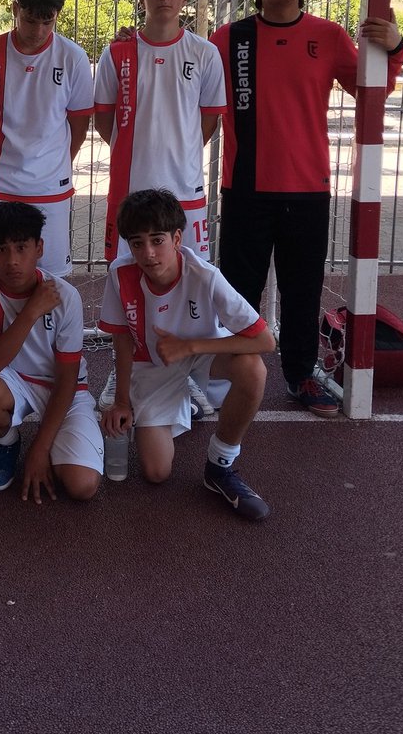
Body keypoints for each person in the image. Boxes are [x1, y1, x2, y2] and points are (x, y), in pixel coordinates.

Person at [211, 0, 403, 417]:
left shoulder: (331, 35)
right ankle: (235, 375)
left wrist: (396, 47)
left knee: (302, 289)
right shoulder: (229, 38)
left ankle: (300, 374)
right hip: (245, 189)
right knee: (237, 290)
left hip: (308, 189)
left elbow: (371, 90)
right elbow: (180, 66)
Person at [93, 0, 226, 413]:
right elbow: (103, 117)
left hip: (185, 197)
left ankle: (183, 377)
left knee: (190, 287)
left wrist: (178, 152)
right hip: (129, 196)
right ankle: (123, 375)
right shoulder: (118, 53)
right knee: (128, 287)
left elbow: (207, 121)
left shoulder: (206, 54)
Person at [99, 189, 276, 521]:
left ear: (177, 238)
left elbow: (265, 340)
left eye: (157, 240)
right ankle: (187, 399)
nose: (148, 253)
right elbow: (121, 340)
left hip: (203, 351)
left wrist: (190, 346)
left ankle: (220, 466)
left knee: (253, 370)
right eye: (137, 243)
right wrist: (122, 400)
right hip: (154, 364)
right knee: (155, 473)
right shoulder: (120, 274)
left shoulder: (205, 275)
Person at [0, 201, 103, 503]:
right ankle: (6, 442)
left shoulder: (66, 296)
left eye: (21, 247)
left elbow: (67, 379)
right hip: (13, 381)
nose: (12, 260)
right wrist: (31, 312)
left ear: (39, 248)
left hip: (65, 389)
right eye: (1, 249)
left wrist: (39, 449)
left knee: (82, 486)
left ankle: (56, 442)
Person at [0, 0, 94, 278]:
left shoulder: (73, 58)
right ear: (15, 9)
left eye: (47, 22)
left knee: (49, 279)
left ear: (57, 15)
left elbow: (78, 124)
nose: (37, 30)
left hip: (49, 186)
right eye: (30, 20)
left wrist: (52, 163)